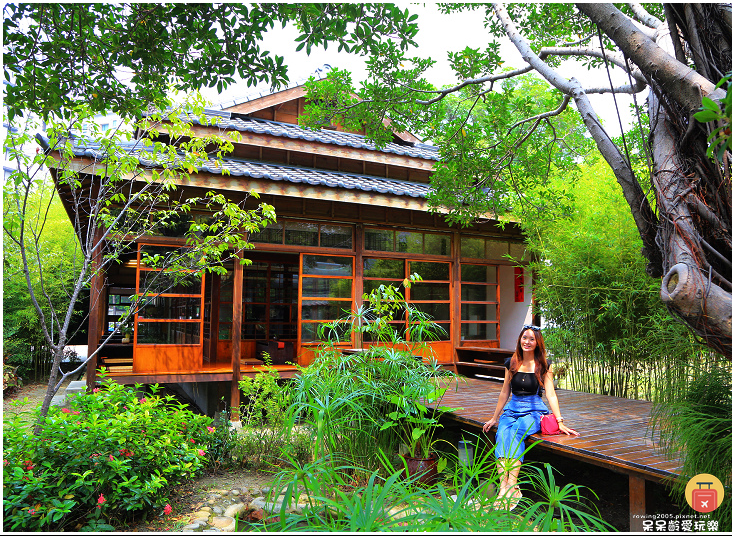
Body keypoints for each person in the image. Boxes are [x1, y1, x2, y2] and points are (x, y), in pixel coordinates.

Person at [482, 324, 579, 510]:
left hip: (535, 410)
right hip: (512, 408)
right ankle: (506, 487)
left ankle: (511, 485)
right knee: (502, 433)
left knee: (518, 431)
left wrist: (560, 422)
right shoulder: (511, 362)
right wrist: (495, 418)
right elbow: (505, 392)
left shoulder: (544, 365)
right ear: (520, 339)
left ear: (537, 343)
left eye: (531, 339)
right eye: (524, 337)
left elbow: (551, 395)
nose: (527, 341)